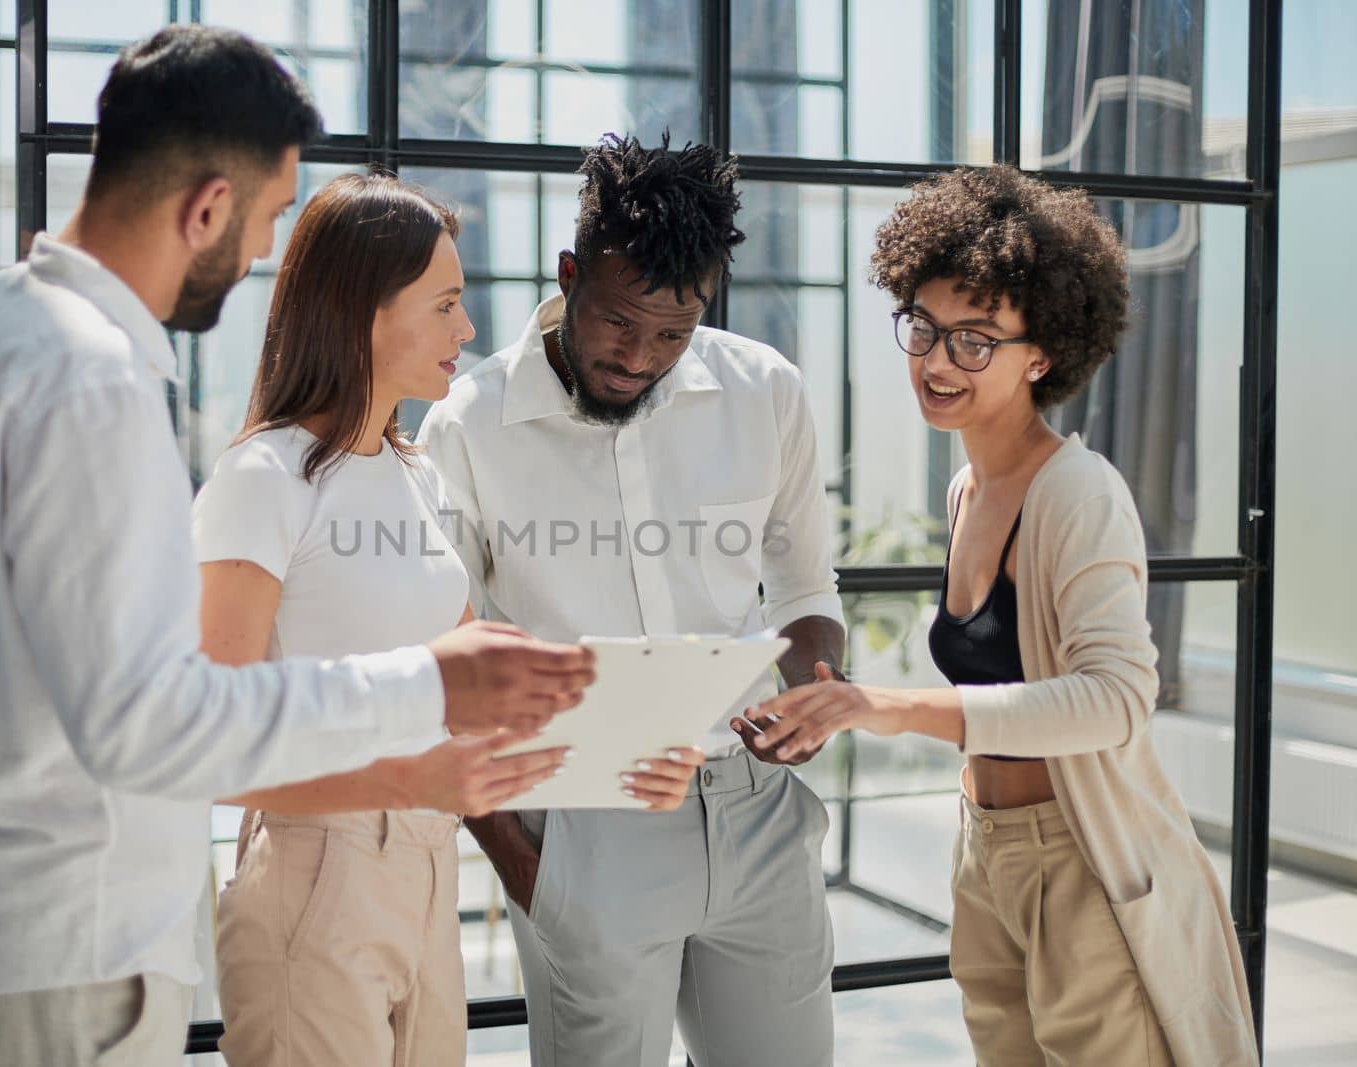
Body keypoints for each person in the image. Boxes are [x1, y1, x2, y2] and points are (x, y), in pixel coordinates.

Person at [0, 28, 594, 1067]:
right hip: (70, 920)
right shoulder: (95, 376)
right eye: (262, 219)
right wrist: (423, 685)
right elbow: (156, 724)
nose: (263, 252)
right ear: (206, 205)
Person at [746, 166, 1258, 1066]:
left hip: (1083, 862)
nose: (938, 362)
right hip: (988, 855)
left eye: (976, 340)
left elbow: (1115, 697)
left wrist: (888, 705)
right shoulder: (967, 487)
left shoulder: (1076, 491)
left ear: (1043, 352)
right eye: (926, 329)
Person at [196, 173, 703, 1067]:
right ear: (362, 311)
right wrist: (415, 782)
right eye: (444, 305)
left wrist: (628, 751)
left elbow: (483, 692)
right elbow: (216, 746)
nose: (467, 331)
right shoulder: (263, 483)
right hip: (317, 872)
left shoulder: (414, 472)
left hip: (427, 870)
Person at [417, 134, 847, 1067]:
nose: (639, 356)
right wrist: (528, 869)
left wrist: (816, 687)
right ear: (570, 273)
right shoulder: (471, 426)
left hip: (755, 808)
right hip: (579, 818)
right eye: (619, 320)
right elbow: (443, 671)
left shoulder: (765, 391)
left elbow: (809, 589)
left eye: (673, 332)